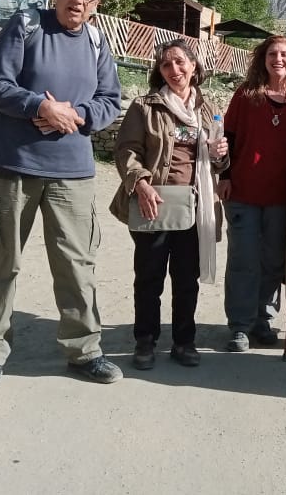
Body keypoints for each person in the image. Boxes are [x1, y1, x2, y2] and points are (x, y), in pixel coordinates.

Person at [0, 0, 122, 395]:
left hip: (72, 172)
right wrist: (40, 106)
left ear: (96, 4)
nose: (78, 1)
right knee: (3, 261)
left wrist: (75, 114)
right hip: (12, 166)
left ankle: (84, 350)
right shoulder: (25, 26)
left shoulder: (96, 41)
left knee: (77, 264)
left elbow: (110, 100)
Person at [110, 40, 229, 369]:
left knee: (186, 279)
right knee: (149, 277)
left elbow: (217, 162)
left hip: (195, 207)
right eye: (166, 64)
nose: (174, 70)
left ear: (194, 66)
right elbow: (127, 151)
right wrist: (141, 183)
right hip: (155, 203)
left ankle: (184, 342)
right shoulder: (145, 106)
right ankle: (145, 341)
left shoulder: (207, 108)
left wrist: (220, 155)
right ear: (159, 71)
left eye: (180, 62)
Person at [219, 35, 286, 351]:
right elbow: (227, 137)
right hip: (243, 191)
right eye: (272, 54)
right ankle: (240, 325)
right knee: (243, 259)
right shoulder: (245, 95)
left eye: (284, 54)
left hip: (282, 197)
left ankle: (263, 320)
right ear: (263, 58)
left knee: (273, 261)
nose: (278, 59)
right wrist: (224, 175)